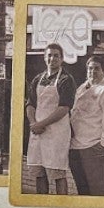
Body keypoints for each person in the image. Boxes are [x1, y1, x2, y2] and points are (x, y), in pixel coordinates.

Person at [23, 43, 75, 194]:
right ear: (45, 58)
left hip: (56, 134)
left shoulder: (66, 80)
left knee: (58, 174)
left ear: (62, 59)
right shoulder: (37, 79)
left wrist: (42, 123)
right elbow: (30, 104)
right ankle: (42, 205)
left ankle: (61, 207)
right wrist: (33, 123)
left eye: (56, 56)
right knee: (39, 174)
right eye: (49, 55)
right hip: (38, 133)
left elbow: (64, 108)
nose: (52, 59)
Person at [68, 54, 104, 196]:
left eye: (97, 69)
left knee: (98, 192)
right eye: (90, 68)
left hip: (95, 148)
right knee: (82, 190)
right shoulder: (81, 88)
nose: (92, 72)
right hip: (76, 146)